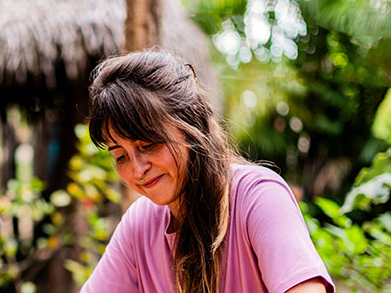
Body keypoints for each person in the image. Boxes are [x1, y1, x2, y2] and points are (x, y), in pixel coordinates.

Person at [79, 51, 334, 293]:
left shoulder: (258, 198)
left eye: (149, 145)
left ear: (192, 123)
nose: (137, 169)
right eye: (120, 156)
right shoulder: (140, 225)